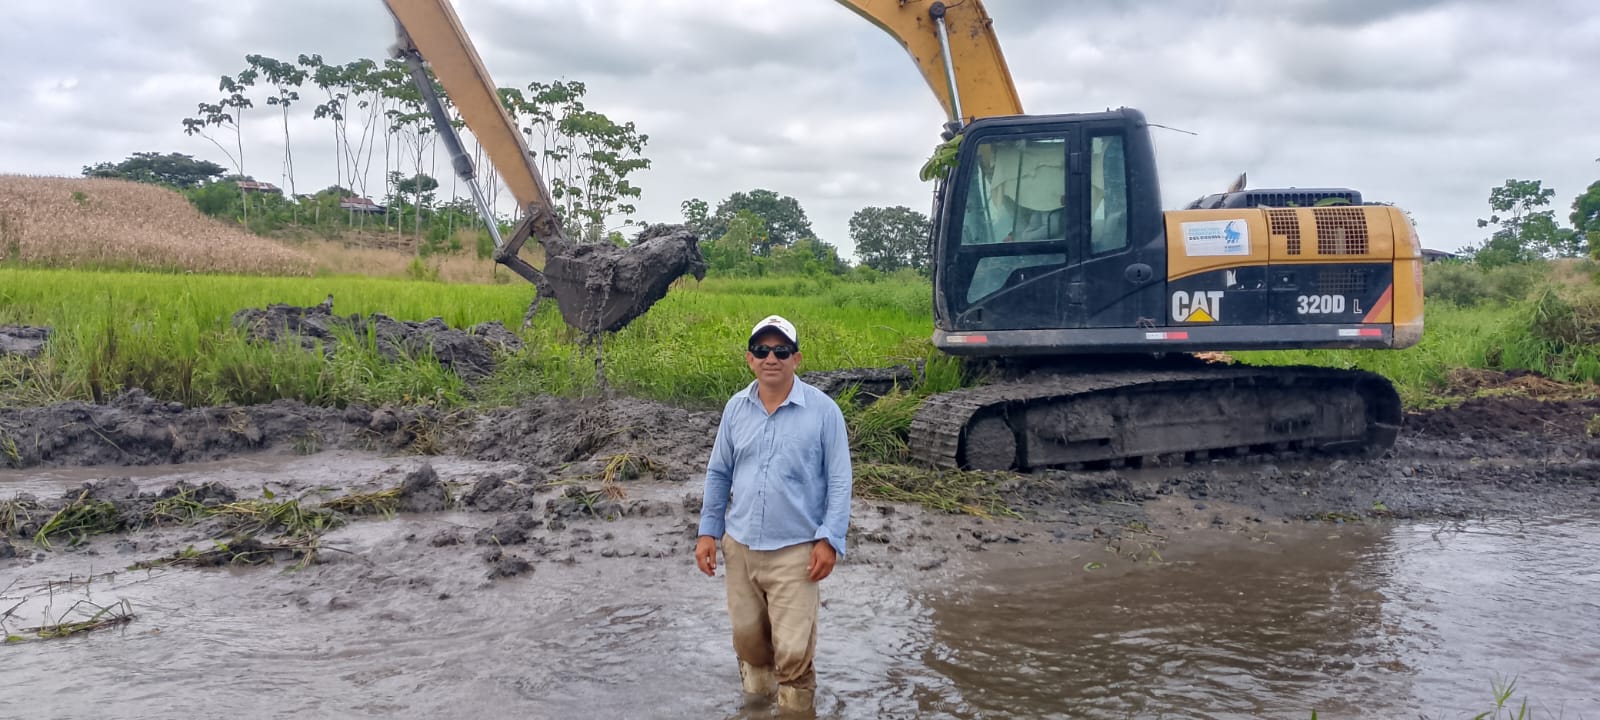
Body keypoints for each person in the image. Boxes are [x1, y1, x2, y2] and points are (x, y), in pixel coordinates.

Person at [694, 314, 853, 715]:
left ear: (796, 359)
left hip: (797, 553)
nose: (771, 358)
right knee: (749, 646)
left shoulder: (824, 411)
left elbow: (840, 481)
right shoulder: (736, 408)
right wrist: (708, 532)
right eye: (762, 350)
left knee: (793, 655)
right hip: (740, 548)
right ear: (750, 358)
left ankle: (796, 711)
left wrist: (830, 539)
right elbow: (719, 472)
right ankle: (756, 707)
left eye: (781, 351)